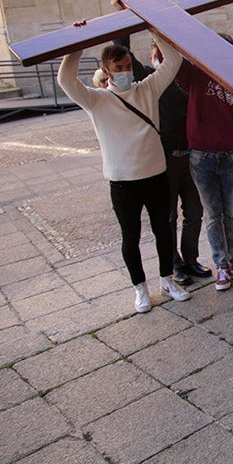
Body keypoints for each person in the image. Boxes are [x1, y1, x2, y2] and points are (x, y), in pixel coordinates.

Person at [57, 28, 189, 313]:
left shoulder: (147, 89)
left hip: (155, 175)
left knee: (164, 231)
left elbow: (174, 60)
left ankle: (167, 280)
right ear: (106, 71)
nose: (126, 72)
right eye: (119, 68)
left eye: (128, 66)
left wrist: (154, 26)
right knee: (130, 237)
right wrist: (77, 47)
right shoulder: (96, 100)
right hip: (123, 182)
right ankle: (140, 288)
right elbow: (66, 80)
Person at [175, 33, 233, 291]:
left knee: (231, 213)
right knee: (213, 215)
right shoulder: (196, 74)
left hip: (231, 155)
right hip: (202, 156)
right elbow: (174, 62)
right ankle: (221, 264)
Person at [138, 43, 203, 286]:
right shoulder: (150, 78)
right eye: (159, 52)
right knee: (169, 215)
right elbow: (129, 60)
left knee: (194, 211)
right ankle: (174, 263)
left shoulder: (190, 79)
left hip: (191, 155)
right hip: (165, 159)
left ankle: (191, 259)